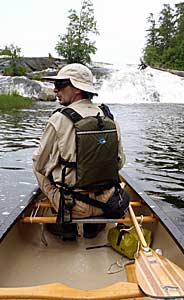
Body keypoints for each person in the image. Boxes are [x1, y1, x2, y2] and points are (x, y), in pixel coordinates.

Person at [32, 63, 129, 240]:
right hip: (107, 203)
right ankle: (95, 226)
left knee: (36, 167)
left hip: (74, 207)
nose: (55, 90)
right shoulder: (109, 118)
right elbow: (120, 162)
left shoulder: (59, 118)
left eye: (60, 85)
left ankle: (66, 225)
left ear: (76, 88)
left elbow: (40, 164)